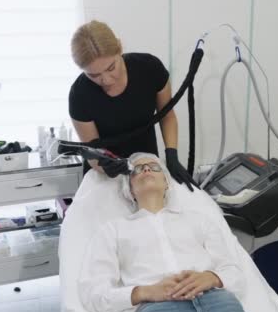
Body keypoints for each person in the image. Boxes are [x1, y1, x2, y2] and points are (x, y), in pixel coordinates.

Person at [78, 153, 252, 312]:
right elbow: (94, 293)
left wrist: (213, 278)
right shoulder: (113, 231)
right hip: (158, 308)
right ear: (129, 189)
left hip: (218, 302)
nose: (146, 169)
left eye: (155, 167)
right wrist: (145, 292)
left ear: (166, 182)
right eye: (138, 169)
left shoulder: (199, 220)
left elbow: (234, 272)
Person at [68, 20, 196, 190]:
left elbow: (167, 116)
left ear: (119, 48)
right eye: (94, 75)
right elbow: (93, 152)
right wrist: (104, 166)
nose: (105, 80)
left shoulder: (149, 69)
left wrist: (171, 154)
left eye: (111, 68)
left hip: (146, 165)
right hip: (105, 175)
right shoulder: (80, 95)